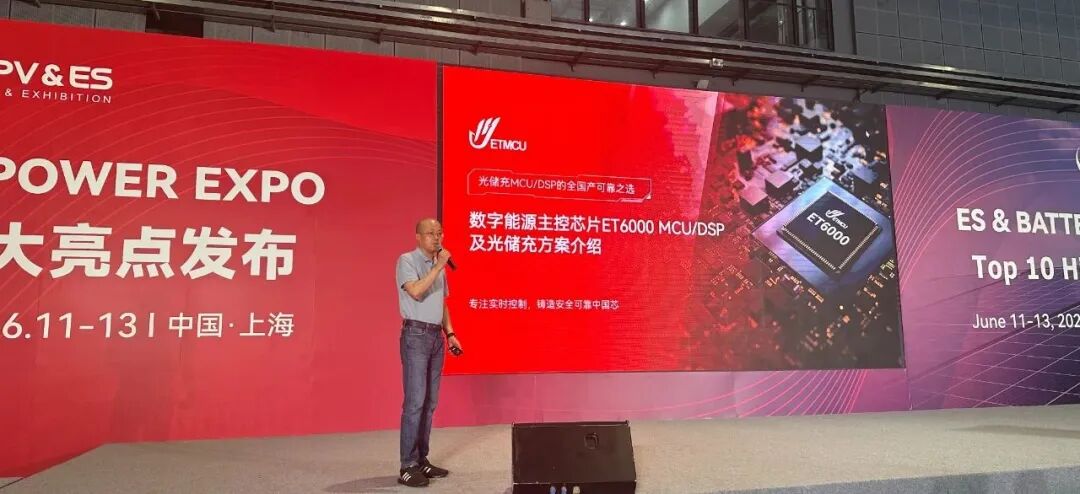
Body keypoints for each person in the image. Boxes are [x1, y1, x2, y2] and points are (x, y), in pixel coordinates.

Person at [395, 218, 462, 488]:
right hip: (415, 335)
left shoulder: (438, 267)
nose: (437, 238)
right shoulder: (407, 260)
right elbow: (416, 291)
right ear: (418, 237)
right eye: (431, 233)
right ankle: (407, 465)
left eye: (440, 233)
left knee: (430, 403)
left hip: (436, 337)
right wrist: (438, 267)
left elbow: (441, 303)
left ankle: (422, 459)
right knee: (415, 402)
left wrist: (451, 333)